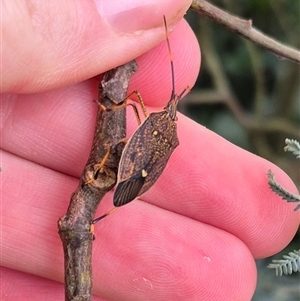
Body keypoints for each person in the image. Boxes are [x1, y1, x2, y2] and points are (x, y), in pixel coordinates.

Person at [1, 1, 299, 300]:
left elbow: (134, 103)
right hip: (140, 161)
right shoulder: (165, 130)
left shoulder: (159, 126)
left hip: (137, 160)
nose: (171, 106)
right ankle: (106, 210)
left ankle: (106, 212)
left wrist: (121, 104)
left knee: (121, 134)